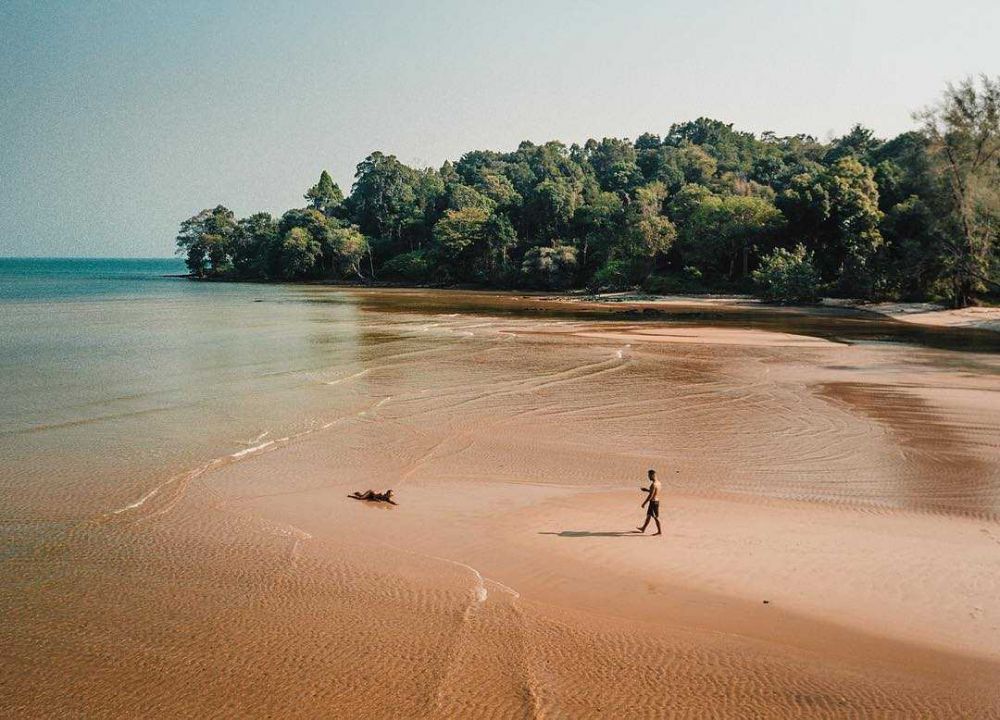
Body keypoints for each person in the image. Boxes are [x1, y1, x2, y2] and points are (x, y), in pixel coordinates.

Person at [636, 469, 662, 535]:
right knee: (649, 515)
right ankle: (643, 528)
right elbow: (654, 492)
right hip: (655, 501)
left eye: (649, 476)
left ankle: (659, 532)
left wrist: (644, 503)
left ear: (653, 475)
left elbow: (651, 496)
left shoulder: (653, 485)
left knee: (656, 517)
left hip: (654, 503)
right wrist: (647, 490)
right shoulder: (658, 483)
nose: (648, 477)